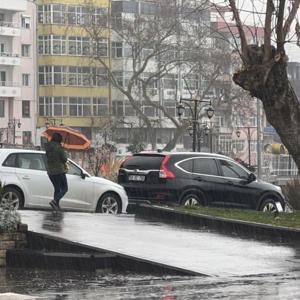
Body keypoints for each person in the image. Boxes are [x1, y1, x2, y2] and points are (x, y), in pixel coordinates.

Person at [44, 132, 68, 211]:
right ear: (59, 140)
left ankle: (56, 206)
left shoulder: (48, 147)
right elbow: (64, 159)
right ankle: (54, 201)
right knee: (65, 188)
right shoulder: (59, 147)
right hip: (59, 171)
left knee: (57, 188)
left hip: (50, 172)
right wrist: (62, 150)